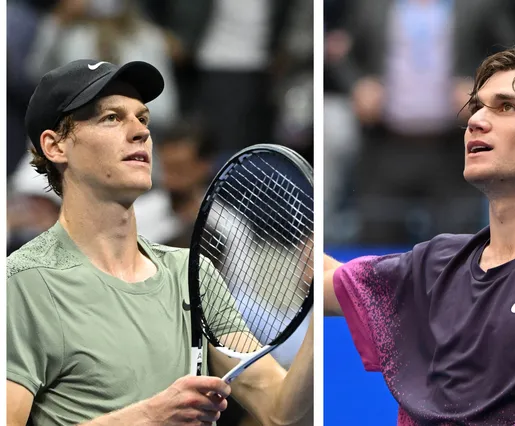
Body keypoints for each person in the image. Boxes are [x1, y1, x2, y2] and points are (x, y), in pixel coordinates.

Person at [324, 44, 515, 425]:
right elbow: (319, 280)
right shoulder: (431, 265)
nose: (476, 120)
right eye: (478, 106)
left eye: (506, 107)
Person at [7, 60, 313, 426]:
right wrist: (151, 415)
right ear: (56, 146)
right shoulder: (22, 282)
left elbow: (280, 408)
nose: (140, 132)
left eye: (143, 119)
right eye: (111, 118)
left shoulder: (191, 272)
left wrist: (325, 310)